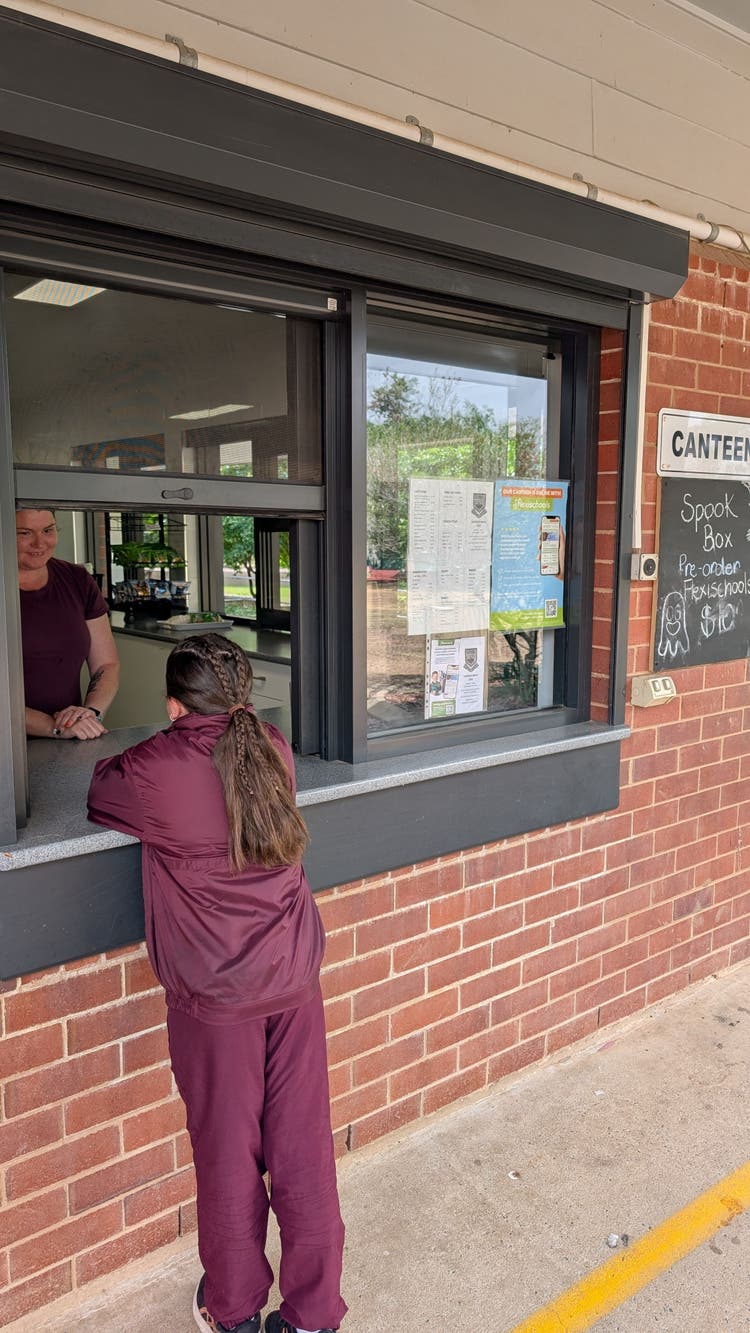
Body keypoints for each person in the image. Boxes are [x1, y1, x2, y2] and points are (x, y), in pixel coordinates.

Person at [87, 634, 346, 1333]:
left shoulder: (157, 767)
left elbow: (98, 789)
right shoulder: (273, 745)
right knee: (303, 1150)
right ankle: (315, 1314)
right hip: (293, 980)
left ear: (174, 703)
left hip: (217, 999)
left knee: (230, 1158)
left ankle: (232, 1311)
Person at [16, 507, 119, 739]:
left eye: (48, 530)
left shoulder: (77, 580)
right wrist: (54, 726)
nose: (39, 543)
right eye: (24, 533)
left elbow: (106, 664)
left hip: (64, 742)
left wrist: (90, 714)